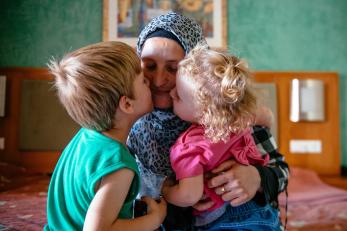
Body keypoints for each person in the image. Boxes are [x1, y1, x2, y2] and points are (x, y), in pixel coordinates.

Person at [127, 12, 289, 230]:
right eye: (150, 66)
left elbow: (282, 172)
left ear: (196, 70)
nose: (158, 80)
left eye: (173, 68)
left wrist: (257, 178)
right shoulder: (126, 121)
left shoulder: (233, 113)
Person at [45, 41, 167, 231]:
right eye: (143, 80)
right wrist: (155, 219)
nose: (150, 82)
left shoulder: (87, 134)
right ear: (127, 104)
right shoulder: (118, 164)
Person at [161, 44, 277, 229]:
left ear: (205, 113)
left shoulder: (189, 146)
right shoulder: (239, 120)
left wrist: (166, 191)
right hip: (263, 213)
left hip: (223, 221)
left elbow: (189, 196)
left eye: (179, 96)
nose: (171, 93)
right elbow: (265, 116)